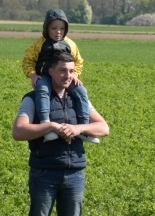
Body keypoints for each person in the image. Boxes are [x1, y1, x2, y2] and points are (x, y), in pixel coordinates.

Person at [12, 51, 110, 216]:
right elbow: (19, 131)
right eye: (62, 71)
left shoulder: (78, 98)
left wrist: (78, 129)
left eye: (71, 71)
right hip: (44, 173)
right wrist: (50, 126)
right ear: (50, 71)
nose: (68, 76)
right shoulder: (33, 99)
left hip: (74, 173)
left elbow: (103, 127)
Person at [22, 8, 98, 143]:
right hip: (45, 76)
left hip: (66, 77)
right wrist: (33, 75)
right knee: (43, 90)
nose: (58, 32)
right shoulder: (40, 44)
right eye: (54, 28)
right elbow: (28, 60)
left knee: (81, 91)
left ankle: (84, 129)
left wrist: (75, 73)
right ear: (46, 28)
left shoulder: (70, 44)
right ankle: (46, 125)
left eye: (62, 29)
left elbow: (78, 61)